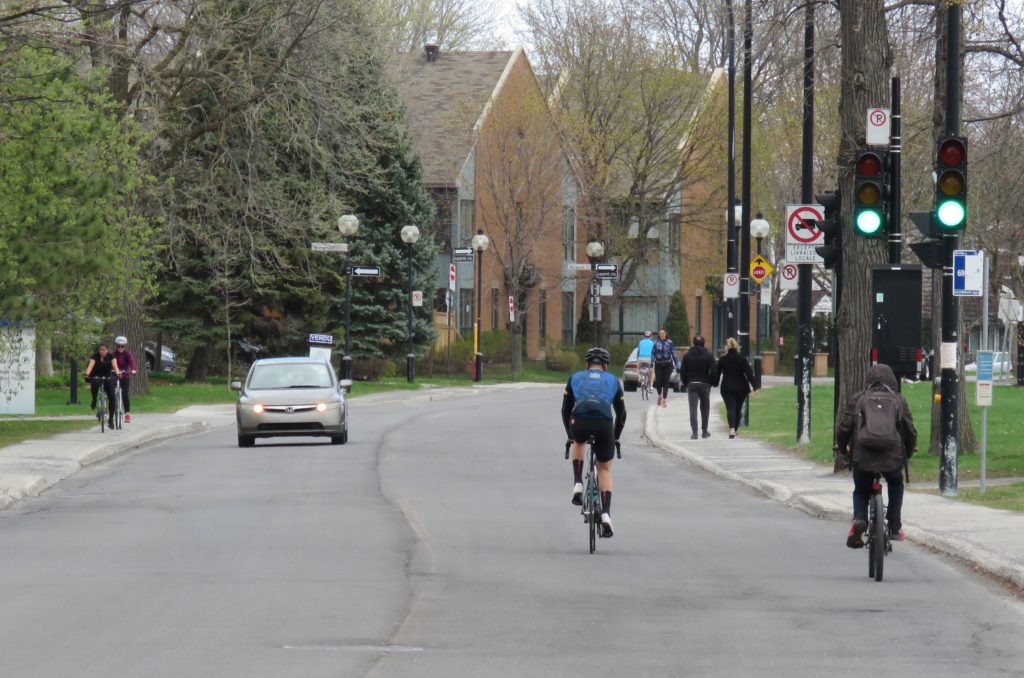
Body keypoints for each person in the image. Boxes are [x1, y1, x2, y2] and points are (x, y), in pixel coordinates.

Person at [836, 363, 917, 547]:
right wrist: (908, 451)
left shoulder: (859, 399)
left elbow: (844, 429)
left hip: (863, 457)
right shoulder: (898, 400)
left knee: (861, 488)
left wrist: (843, 449)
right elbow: (909, 431)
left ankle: (860, 519)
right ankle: (894, 525)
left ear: (868, 381)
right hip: (891, 457)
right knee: (896, 483)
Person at [562, 347, 627, 538]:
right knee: (604, 468)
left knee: (578, 442)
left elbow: (565, 410)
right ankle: (606, 514)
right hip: (604, 423)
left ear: (587, 364)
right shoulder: (613, 380)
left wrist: (570, 434)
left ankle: (577, 483)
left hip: (580, 420)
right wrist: (615, 436)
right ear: (605, 366)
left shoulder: (575, 377)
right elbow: (622, 414)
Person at [715, 338, 757, 438]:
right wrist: (755, 386)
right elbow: (749, 373)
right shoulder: (742, 359)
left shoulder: (722, 359)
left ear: (726, 347)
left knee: (730, 408)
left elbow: (717, 374)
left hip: (727, 387)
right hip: (741, 387)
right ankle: (735, 429)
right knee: (738, 409)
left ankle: (732, 429)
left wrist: (715, 383)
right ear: (737, 347)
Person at [680, 335, 717, 440]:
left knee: (693, 408)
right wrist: (712, 382)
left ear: (694, 343)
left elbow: (682, 372)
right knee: (705, 408)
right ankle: (704, 431)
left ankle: (694, 432)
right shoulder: (709, 355)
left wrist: (686, 383)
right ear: (704, 344)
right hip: (705, 384)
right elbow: (714, 371)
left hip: (692, 383)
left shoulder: (687, 356)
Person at [84, 343, 117, 428]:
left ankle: (110, 420)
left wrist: (118, 373)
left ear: (107, 350)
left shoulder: (111, 356)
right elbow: (90, 366)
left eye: (104, 350)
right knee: (94, 383)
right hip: (97, 376)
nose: (102, 351)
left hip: (107, 377)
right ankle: (94, 399)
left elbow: (115, 366)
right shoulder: (95, 356)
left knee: (112, 397)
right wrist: (87, 374)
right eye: (100, 350)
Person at [112, 336, 138, 423]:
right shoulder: (113, 354)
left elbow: (132, 362)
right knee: (111, 393)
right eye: (118, 346)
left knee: (125, 394)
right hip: (114, 375)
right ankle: (112, 411)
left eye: (122, 346)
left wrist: (133, 369)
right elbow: (109, 363)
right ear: (116, 346)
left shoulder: (127, 354)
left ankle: (127, 414)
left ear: (125, 346)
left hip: (125, 375)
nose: (120, 348)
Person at [651, 327, 677, 408]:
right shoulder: (655, 343)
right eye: (660, 333)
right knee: (658, 382)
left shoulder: (669, 342)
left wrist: (676, 363)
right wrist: (651, 363)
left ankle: (664, 400)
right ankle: (659, 395)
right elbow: (652, 354)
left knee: (666, 382)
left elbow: (673, 353)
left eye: (663, 333)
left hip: (668, 364)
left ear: (665, 334)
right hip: (658, 364)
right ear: (659, 335)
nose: (662, 335)